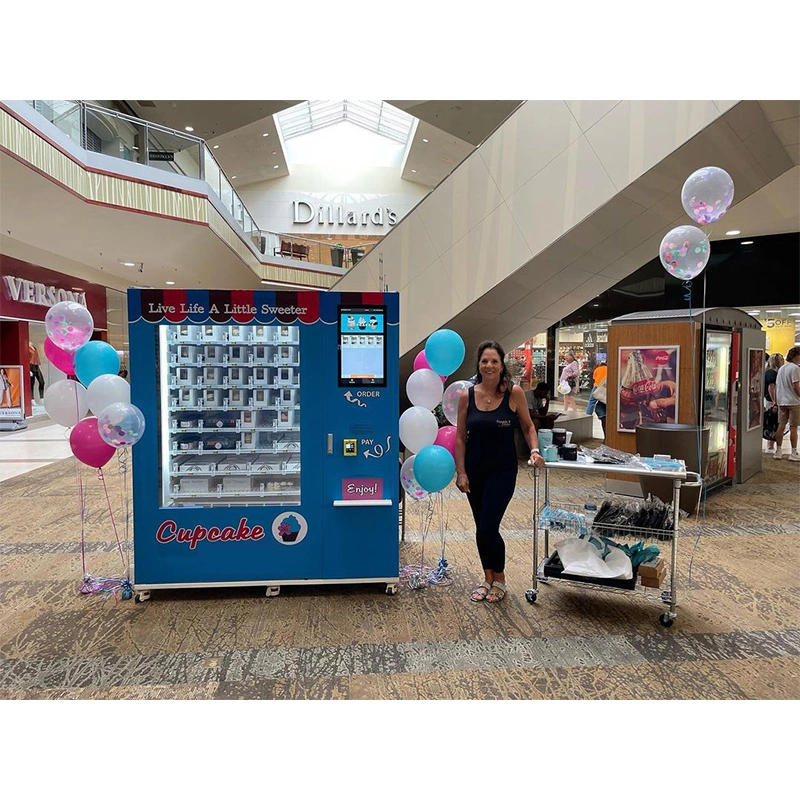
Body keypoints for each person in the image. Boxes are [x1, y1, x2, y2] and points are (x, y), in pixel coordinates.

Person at [455, 340, 544, 604]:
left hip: (502, 472)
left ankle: (500, 579)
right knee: (480, 528)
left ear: (502, 364)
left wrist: (535, 450)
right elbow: (460, 437)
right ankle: (487, 577)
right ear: (479, 365)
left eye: (494, 361)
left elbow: (529, 427)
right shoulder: (466, 396)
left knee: (488, 526)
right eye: (485, 361)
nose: (489, 365)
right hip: (474, 471)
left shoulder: (513, 393)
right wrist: (461, 472)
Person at [773, 347, 800, 461]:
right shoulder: (795, 368)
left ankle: (778, 451)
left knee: (781, 425)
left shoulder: (782, 368)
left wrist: (776, 400)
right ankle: (793, 453)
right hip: (793, 401)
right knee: (794, 427)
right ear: (797, 356)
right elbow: (795, 386)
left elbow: (777, 386)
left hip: (782, 401)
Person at [763, 353, 783, 453]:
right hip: (771, 401)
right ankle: (770, 446)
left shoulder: (769, 372)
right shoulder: (772, 373)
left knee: (772, 421)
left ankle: (770, 445)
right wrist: (775, 401)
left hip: (769, 400)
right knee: (773, 422)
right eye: (781, 360)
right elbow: (771, 388)